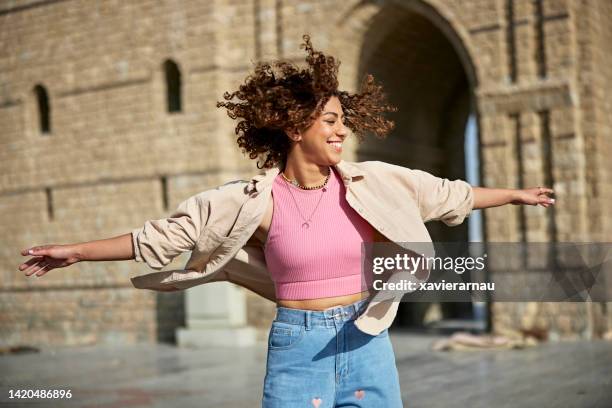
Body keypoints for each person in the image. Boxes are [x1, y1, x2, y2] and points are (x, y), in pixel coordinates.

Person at [17, 35, 555, 407]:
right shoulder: (251, 200)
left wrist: (514, 195)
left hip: (367, 340)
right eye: (330, 121)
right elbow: (163, 237)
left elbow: (447, 195)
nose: (342, 132)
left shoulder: (373, 182)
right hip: (298, 346)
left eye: (344, 121)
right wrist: (76, 251)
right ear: (295, 127)